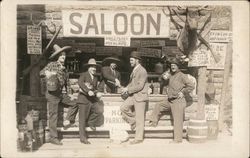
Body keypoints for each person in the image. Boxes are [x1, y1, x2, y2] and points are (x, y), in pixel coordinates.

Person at [40, 44, 77, 145]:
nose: (63, 57)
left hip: (60, 94)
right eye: (61, 56)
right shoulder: (52, 64)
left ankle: (68, 120)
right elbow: (41, 72)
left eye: (64, 56)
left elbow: (67, 83)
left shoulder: (65, 69)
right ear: (57, 57)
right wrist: (47, 73)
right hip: (52, 94)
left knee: (75, 102)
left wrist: (70, 94)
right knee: (53, 116)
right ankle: (53, 137)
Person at [120, 51, 148, 145]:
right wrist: (125, 88)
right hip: (133, 95)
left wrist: (128, 89)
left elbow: (140, 86)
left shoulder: (142, 71)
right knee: (123, 108)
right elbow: (132, 84)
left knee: (140, 118)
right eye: (130, 60)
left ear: (137, 60)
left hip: (140, 96)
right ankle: (134, 122)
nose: (130, 62)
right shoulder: (135, 70)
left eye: (131, 60)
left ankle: (138, 138)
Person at [76, 58, 104, 144]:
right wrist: (88, 91)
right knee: (82, 119)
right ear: (88, 68)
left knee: (99, 110)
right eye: (92, 67)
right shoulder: (83, 74)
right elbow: (80, 83)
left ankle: (91, 122)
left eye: (95, 67)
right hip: (83, 100)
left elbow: (94, 89)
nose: (94, 69)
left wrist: (97, 93)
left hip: (91, 100)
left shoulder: (95, 77)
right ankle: (83, 138)